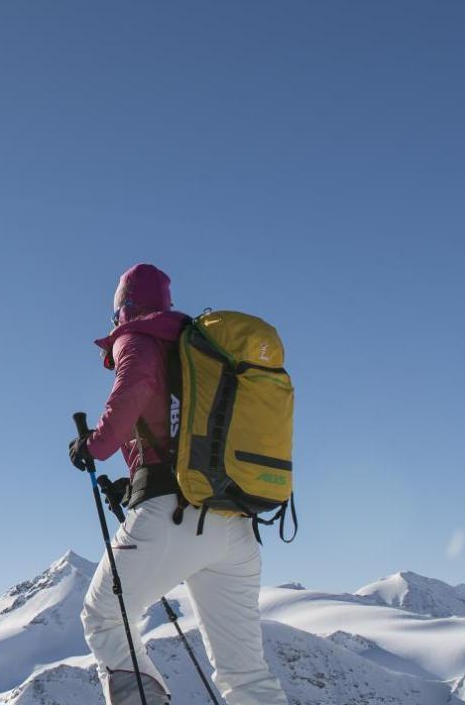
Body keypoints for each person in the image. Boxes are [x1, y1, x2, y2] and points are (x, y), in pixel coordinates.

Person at [70, 263, 289, 705]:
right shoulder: (200, 351)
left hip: (175, 516)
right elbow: (182, 434)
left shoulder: (139, 337)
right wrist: (134, 485)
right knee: (245, 675)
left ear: (124, 309)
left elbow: (134, 388)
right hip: (236, 524)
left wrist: (93, 447)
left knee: (104, 620)